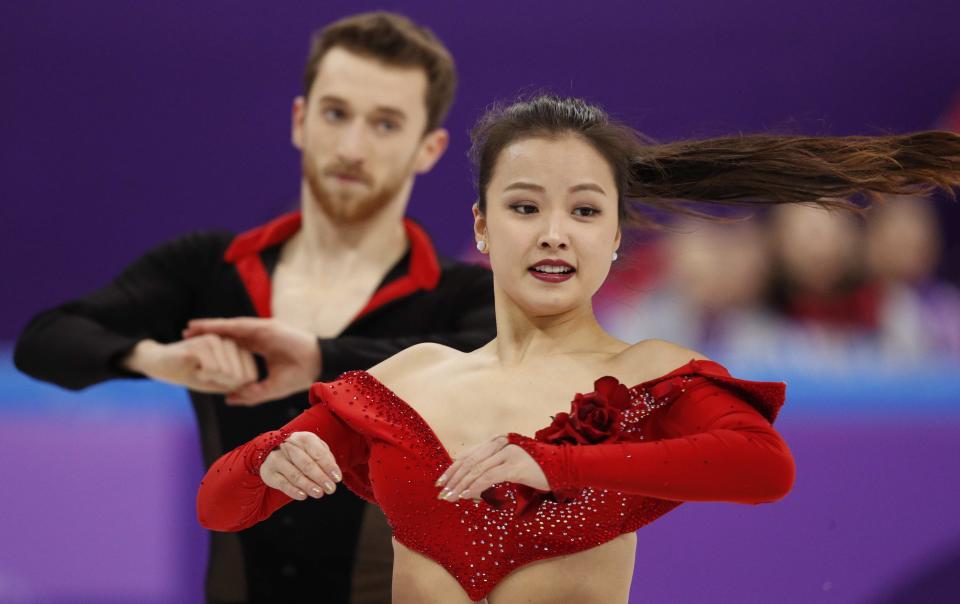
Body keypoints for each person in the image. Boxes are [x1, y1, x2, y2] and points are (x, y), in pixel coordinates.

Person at [193, 95, 960, 603]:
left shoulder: (645, 375)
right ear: (484, 227)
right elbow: (220, 506)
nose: (554, 232)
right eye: (525, 206)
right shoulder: (410, 380)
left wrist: (554, 462)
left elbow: (763, 466)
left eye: (584, 209)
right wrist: (265, 460)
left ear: (616, 234)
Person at [13, 12, 496, 604]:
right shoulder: (209, 268)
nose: (351, 146)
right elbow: (46, 340)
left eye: (385, 124)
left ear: (429, 149)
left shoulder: (464, 299)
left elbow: (484, 364)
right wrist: (156, 358)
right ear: (300, 119)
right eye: (336, 113)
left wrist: (318, 356)